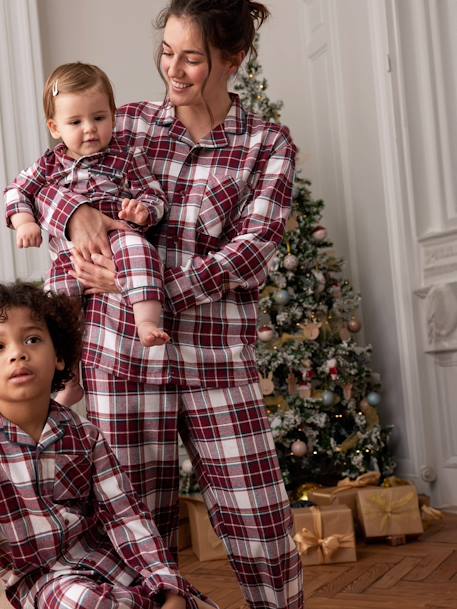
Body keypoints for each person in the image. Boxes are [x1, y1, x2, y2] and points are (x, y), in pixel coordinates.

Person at [9, 1, 304, 608]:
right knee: (139, 532)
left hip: (218, 361)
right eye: (166, 52)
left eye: (192, 58)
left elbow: (248, 255)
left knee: (262, 530)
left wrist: (142, 288)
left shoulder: (266, 144)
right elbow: (48, 181)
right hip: (121, 360)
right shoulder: (130, 123)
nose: (173, 69)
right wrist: (79, 214)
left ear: (234, 60)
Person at [0, 280, 217, 609]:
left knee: (182, 601)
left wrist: (166, 585)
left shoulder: (85, 435)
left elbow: (126, 515)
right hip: (38, 579)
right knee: (83, 601)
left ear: (59, 356)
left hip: (107, 562)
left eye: (32, 339)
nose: (18, 353)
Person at [4, 62, 170, 405]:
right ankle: (68, 376)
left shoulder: (125, 158)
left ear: (113, 115)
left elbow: (154, 194)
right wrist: (25, 222)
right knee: (57, 303)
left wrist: (143, 210)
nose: (89, 130)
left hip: (118, 236)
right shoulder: (49, 164)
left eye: (98, 118)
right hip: (70, 253)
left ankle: (147, 321)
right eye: (75, 122)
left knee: (142, 252)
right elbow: (16, 191)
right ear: (54, 127)